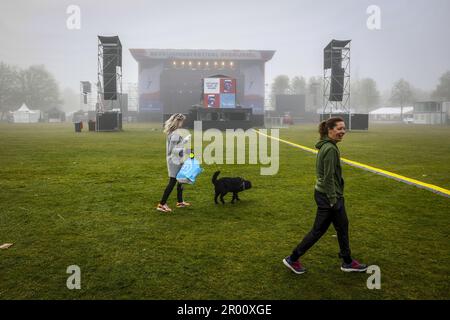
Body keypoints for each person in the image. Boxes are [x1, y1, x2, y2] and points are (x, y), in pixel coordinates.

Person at [283, 117, 368, 274]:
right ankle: (292, 258)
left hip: (329, 194)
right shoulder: (329, 149)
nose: (343, 131)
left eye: (344, 128)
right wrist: (333, 200)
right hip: (329, 196)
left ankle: (347, 261)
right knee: (318, 230)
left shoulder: (329, 146)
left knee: (342, 226)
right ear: (330, 130)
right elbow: (328, 178)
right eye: (339, 129)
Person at [156, 113, 191, 213]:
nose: (183, 123)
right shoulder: (175, 134)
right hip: (174, 160)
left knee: (180, 180)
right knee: (173, 181)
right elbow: (173, 150)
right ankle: (162, 204)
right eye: (182, 121)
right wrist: (184, 141)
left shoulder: (174, 132)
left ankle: (180, 202)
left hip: (177, 159)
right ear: (178, 121)